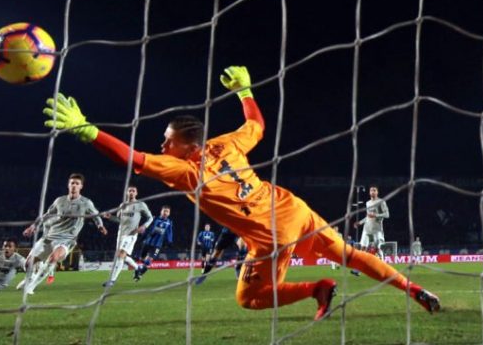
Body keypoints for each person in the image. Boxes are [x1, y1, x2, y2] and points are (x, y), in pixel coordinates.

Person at [41, 66, 440, 319]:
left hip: (270, 232)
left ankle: (315, 287)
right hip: (292, 206)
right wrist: (246, 91)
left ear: (185, 145)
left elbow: (134, 158)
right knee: (350, 254)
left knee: (249, 299)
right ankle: (415, 289)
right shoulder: (227, 144)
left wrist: (87, 131)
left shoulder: (183, 171)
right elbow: (258, 126)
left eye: (167, 140)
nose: (162, 145)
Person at [18, 173, 107, 294]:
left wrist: (100, 225)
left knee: (53, 258)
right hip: (50, 236)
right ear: (68, 185)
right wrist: (33, 226)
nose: (74, 186)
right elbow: (47, 215)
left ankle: (31, 287)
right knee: (28, 264)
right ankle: (30, 278)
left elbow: (96, 215)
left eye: (77, 183)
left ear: (81, 186)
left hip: (67, 239)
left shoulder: (86, 203)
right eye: (72, 183)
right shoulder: (59, 201)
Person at [102, 185, 153, 287]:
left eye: (133, 191)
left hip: (131, 235)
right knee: (122, 257)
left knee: (120, 255)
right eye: (129, 191)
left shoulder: (140, 205)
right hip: (120, 235)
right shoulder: (123, 205)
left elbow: (150, 217)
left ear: (136, 193)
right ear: (126, 192)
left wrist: (144, 226)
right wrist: (110, 217)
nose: (131, 192)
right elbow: (119, 220)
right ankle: (138, 268)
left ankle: (112, 280)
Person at [134, 205, 174, 281]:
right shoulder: (154, 218)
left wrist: (170, 241)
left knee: (149, 261)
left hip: (157, 245)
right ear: (161, 211)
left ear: (169, 213)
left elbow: (169, 232)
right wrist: (143, 235)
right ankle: (138, 269)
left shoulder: (169, 222)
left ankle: (139, 274)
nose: (165, 213)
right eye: (164, 211)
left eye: (167, 211)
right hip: (148, 242)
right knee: (142, 258)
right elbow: (147, 228)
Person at [354, 186, 389, 259]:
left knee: (376, 249)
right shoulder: (368, 203)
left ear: (377, 192)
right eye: (371, 190)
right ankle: (360, 266)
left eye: (374, 190)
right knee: (363, 247)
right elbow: (368, 216)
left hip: (376, 229)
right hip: (367, 228)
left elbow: (387, 215)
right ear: (369, 193)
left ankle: (382, 263)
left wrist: (375, 215)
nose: (372, 192)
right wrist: (360, 222)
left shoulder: (381, 202)